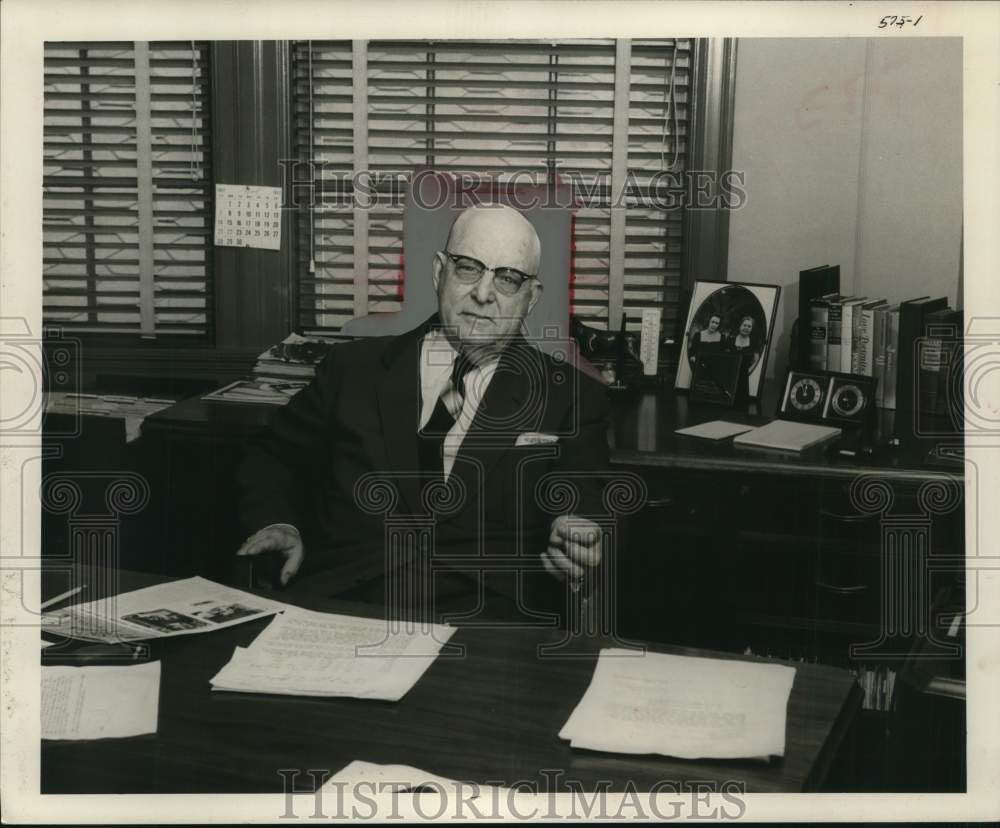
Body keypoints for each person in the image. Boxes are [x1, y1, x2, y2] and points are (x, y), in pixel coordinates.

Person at [235, 204, 610, 619]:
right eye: (468, 268)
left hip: (486, 621)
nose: (484, 294)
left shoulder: (570, 394)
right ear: (438, 272)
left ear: (531, 296)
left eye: (508, 278)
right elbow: (271, 457)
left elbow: (583, 490)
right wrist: (279, 522)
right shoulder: (353, 370)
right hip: (345, 601)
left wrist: (582, 531)